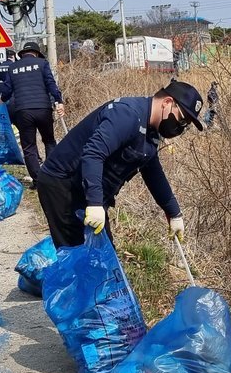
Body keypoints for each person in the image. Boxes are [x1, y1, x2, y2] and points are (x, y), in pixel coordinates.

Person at [37, 79, 204, 249]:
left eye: (187, 125)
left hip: (85, 189)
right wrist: (94, 203)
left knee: (102, 257)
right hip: (62, 185)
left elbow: (154, 173)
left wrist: (174, 213)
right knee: (79, 258)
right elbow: (93, 154)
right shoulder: (127, 115)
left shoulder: (150, 133)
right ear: (167, 103)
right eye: (182, 120)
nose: (181, 128)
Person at [3, 42, 63, 186]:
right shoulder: (42, 64)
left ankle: (37, 180)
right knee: (49, 141)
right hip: (43, 109)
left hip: (23, 111)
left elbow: (7, 90)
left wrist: (1, 99)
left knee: (29, 146)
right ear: (36, 53)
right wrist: (59, 100)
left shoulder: (13, 67)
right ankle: (51, 176)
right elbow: (51, 84)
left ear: (22, 54)